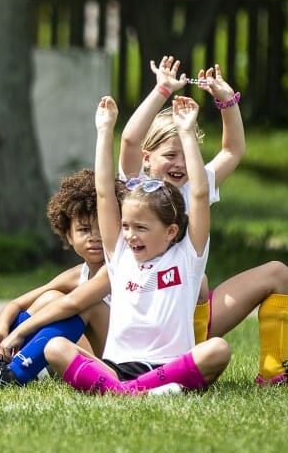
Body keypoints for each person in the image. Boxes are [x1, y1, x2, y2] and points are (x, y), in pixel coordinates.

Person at [122, 56, 288, 385]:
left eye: (185, 155)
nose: (180, 164)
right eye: (169, 155)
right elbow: (130, 140)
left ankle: (273, 373)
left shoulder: (195, 187)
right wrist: (161, 89)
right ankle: (185, 361)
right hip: (144, 318)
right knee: (198, 283)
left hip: (191, 314)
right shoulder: (133, 189)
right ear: (148, 158)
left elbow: (233, 150)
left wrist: (226, 101)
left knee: (278, 274)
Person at [42, 95, 231, 395]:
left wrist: (186, 133)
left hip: (172, 365)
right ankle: (138, 389)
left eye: (141, 228)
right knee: (55, 348)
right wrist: (104, 132)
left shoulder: (188, 256)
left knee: (218, 349)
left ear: (170, 231)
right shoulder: (120, 256)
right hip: (118, 366)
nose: (130, 235)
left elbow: (198, 194)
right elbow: (104, 192)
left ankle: (125, 390)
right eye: (127, 226)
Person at [0, 169, 107, 386]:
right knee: (49, 297)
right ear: (68, 235)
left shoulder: (115, 269)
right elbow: (17, 303)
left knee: (81, 305)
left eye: (103, 228)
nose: (95, 237)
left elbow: (72, 304)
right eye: (84, 229)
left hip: (115, 359)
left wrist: (19, 334)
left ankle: (15, 373)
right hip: (72, 350)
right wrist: (0, 332)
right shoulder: (77, 274)